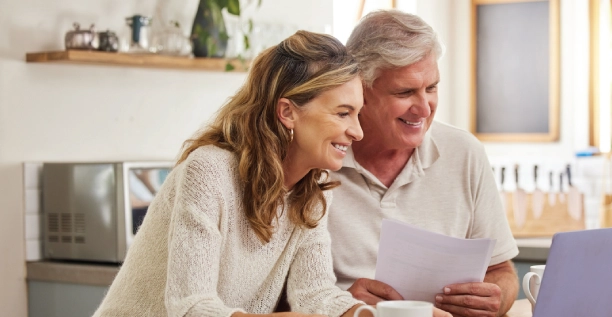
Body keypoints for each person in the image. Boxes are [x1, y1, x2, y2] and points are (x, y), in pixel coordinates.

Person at [93, 30, 369, 317]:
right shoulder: (209, 173)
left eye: (358, 114)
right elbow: (190, 307)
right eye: (342, 113)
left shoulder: (313, 187)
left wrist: (373, 315)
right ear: (287, 112)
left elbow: (315, 293)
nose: (357, 132)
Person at [327, 10, 520, 317]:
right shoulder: (318, 159)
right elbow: (272, 297)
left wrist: (496, 300)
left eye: (431, 88)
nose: (424, 108)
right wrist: (338, 304)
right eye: (405, 92)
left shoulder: (464, 152)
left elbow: (502, 271)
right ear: (360, 90)